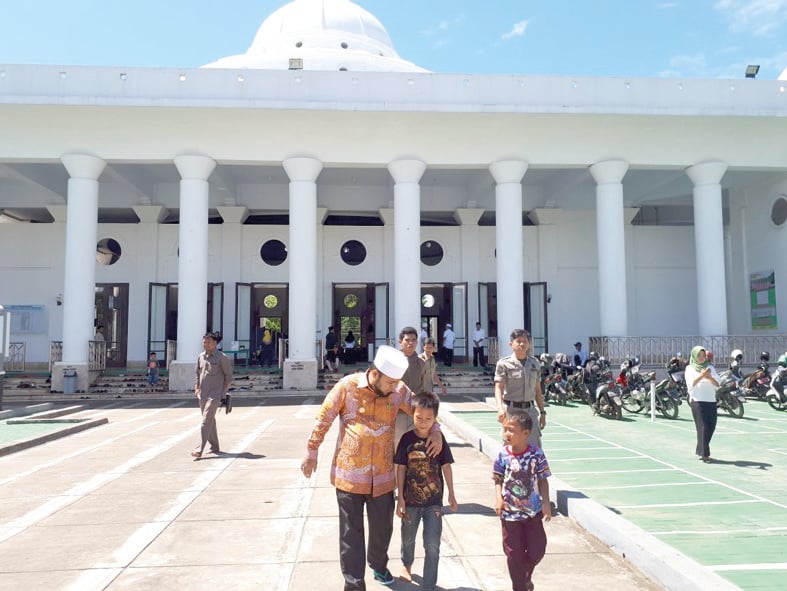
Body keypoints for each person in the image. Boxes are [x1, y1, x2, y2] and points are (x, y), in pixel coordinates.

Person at [300, 345, 444, 591]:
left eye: (396, 382)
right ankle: (354, 583)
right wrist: (311, 452)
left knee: (382, 528)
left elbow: (421, 410)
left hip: (384, 475)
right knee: (351, 533)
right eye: (389, 382)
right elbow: (323, 418)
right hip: (349, 475)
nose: (394, 387)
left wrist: (437, 430)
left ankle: (378, 564)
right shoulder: (346, 387)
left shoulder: (398, 390)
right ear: (375, 374)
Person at [395, 392, 457, 589]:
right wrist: (400, 499)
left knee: (432, 545)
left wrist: (452, 494)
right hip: (410, 501)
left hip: (434, 503)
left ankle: (429, 584)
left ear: (435, 419)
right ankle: (407, 564)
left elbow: (446, 466)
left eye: (429, 419)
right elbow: (401, 468)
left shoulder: (439, 440)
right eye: (418, 417)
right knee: (408, 537)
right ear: (412, 414)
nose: (423, 422)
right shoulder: (406, 439)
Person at [493, 411, 552, 591]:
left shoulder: (536, 453)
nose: (507, 434)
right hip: (510, 514)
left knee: (537, 550)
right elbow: (498, 479)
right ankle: (519, 586)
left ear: (525, 433)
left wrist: (546, 502)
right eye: (505, 430)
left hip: (532, 512)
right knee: (513, 554)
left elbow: (543, 479)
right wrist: (498, 499)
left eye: (511, 430)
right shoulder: (503, 455)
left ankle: (526, 574)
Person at [494, 329, 547, 448]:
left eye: (525, 341)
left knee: (534, 447)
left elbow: (538, 390)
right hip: (512, 411)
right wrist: (499, 408)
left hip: (530, 411)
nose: (522, 344)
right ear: (511, 344)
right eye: (518, 341)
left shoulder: (535, 363)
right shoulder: (504, 364)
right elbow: (498, 388)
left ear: (529, 344)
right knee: (510, 446)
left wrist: (542, 412)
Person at [192, 331, 233, 460]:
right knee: (210, 421)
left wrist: (223, 390)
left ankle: (199, 449)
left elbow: (228, 376)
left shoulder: (222, 357)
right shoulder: (201, 357)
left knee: (205, 420)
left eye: (208, 342)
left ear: (215, 343)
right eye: (204, 342)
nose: (206, 344)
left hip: (215, 394)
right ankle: (215, 447)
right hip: (203, 394)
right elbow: (198, 374)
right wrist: (197, 388)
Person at [396, 326, 432, 449]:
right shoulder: (394, 363)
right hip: (397, 413)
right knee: (397, 448)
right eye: (407, 340)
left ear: (417, 342)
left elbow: (425, 389)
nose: (410, 343)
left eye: (413, 340)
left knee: (415, 449)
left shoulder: (422, 363)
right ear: (400, 342)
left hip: (416, 413)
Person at [685, 345, 720, 463]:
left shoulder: (710, 367)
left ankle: (700, 448)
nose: (701, 358)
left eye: (703, 355)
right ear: (694, 356)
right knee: (703, 427)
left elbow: (717, 384)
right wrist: (702, 375)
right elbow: (692, 383)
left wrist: (709, 376)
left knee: (711, 426)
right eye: (699, 356)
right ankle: (705, 454)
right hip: (697, 401)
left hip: (711, 400)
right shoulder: (690, 369)